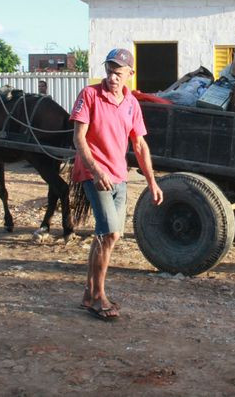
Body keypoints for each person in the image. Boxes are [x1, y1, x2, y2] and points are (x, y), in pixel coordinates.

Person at [70, 48, 163, 321]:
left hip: (119, 175)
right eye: (109, 70)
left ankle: (89, 293)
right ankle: (98, 296)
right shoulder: (89, 95)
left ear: (130, 75)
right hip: (93, 174)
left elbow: (140, 144)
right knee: (109, 232)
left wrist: (152, 182)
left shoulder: (132, 103)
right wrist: (96, 170)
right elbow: (79, 138)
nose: (112, 77)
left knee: (110, 235)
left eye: (118, 72)